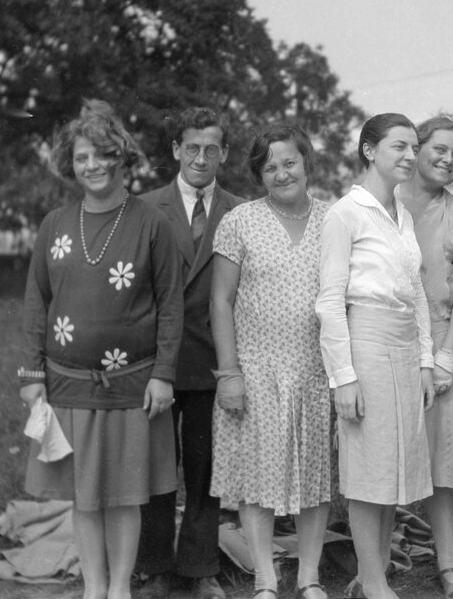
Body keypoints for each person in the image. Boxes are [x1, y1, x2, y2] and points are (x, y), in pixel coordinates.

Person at [19, 100, 183, 599]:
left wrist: (163, 374)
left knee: (125, 496)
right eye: (82, 157)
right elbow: (35, 303)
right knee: (84, 497)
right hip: (68, 384)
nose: (92, 166)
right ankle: (93, 588)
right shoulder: (54, 225)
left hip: (134, 385)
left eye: (102, 155)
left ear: (121, 158)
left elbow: (171, 305)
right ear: (71, 163)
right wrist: (32, 375)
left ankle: (119, 588)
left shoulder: (151, 224)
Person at [208, 126, 332, 599]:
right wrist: (229, 374)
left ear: (307, 163)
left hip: (316, 371)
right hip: (256, 371)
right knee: (258, 481)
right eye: (269, 167)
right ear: (259, 174)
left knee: (315, 477)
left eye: (289, 162)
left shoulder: (333, 219)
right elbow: (220, 301)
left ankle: (309, 577)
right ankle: (264, 579)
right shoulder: (240, 221)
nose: (282, 173)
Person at [316, 113, 436, 599]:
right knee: (369, 471)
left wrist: (426, 361)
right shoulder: (345, 213)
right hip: (365, 348)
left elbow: (417, 292)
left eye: (414, 148)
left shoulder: (401, 215)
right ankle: (374, 581)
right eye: (399, 147)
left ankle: (373, 575)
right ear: (369, 151)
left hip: (405, 350)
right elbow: (329, 300)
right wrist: (343, 378)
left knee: (394, 470)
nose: (411, 156)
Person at [137, 107, 245, 599]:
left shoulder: (241, 210)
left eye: (212, 149)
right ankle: (156, 567)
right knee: (158, 469)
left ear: (223, 152)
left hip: (212, 359)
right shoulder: (142, 209)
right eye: (192, 148)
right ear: (176, 150)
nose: (202, 158)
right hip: (155, 361)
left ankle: (200, 567)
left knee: (206, 469)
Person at [397, 114, 453, 599]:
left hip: (445, 346)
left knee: (444, 464)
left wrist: (449, 354)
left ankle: (448, 564)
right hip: (388, 345)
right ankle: (373, 562)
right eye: (440, 149)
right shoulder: (380, 204)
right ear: (416, 147)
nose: (448, 160)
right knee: (385, 457)